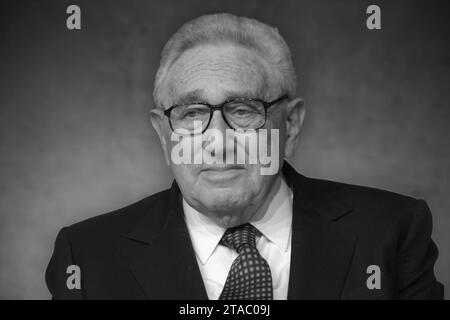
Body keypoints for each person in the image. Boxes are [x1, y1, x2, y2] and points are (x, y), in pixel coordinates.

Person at [46, 13, 443, 299]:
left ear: (290, 123)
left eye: (243, 110)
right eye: (193, 113)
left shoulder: (390, 231)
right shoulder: (88, 256)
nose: (218, 142)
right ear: (163, 133)